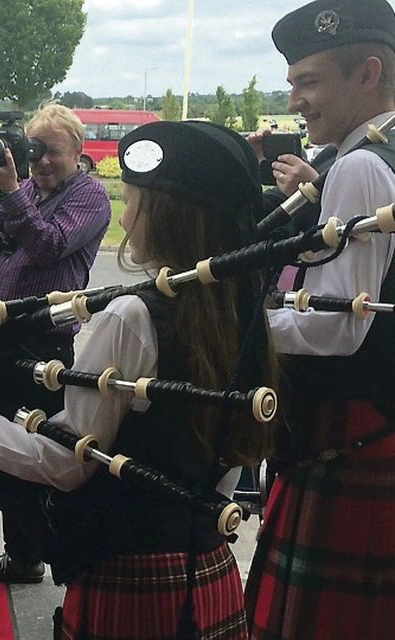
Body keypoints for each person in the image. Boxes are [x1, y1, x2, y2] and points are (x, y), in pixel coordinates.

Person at [0, 121, 276, 638]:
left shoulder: (132, 316)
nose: (124, 216)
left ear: (166, 215)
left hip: (131, 580)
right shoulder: (243, 306)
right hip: (213, 573)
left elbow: (64, 463)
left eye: (132, 201)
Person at [244, 2, 395, 638]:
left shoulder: (362, 165)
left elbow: (338, 325)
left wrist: (239, 324)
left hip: (348, 430)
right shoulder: (370, 154)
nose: (296, 100)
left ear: (367, 72)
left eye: (308, 81)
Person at [0, 102, 111, 583]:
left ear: (79, 152)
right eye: (35, 150)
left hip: (42, 348)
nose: (42, 161)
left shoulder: (91, 197)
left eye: (54, 152)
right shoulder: (22, 187)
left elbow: (47, 244)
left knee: (30, 454)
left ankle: (55, 554)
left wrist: (9, 190)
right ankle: (23, 553)